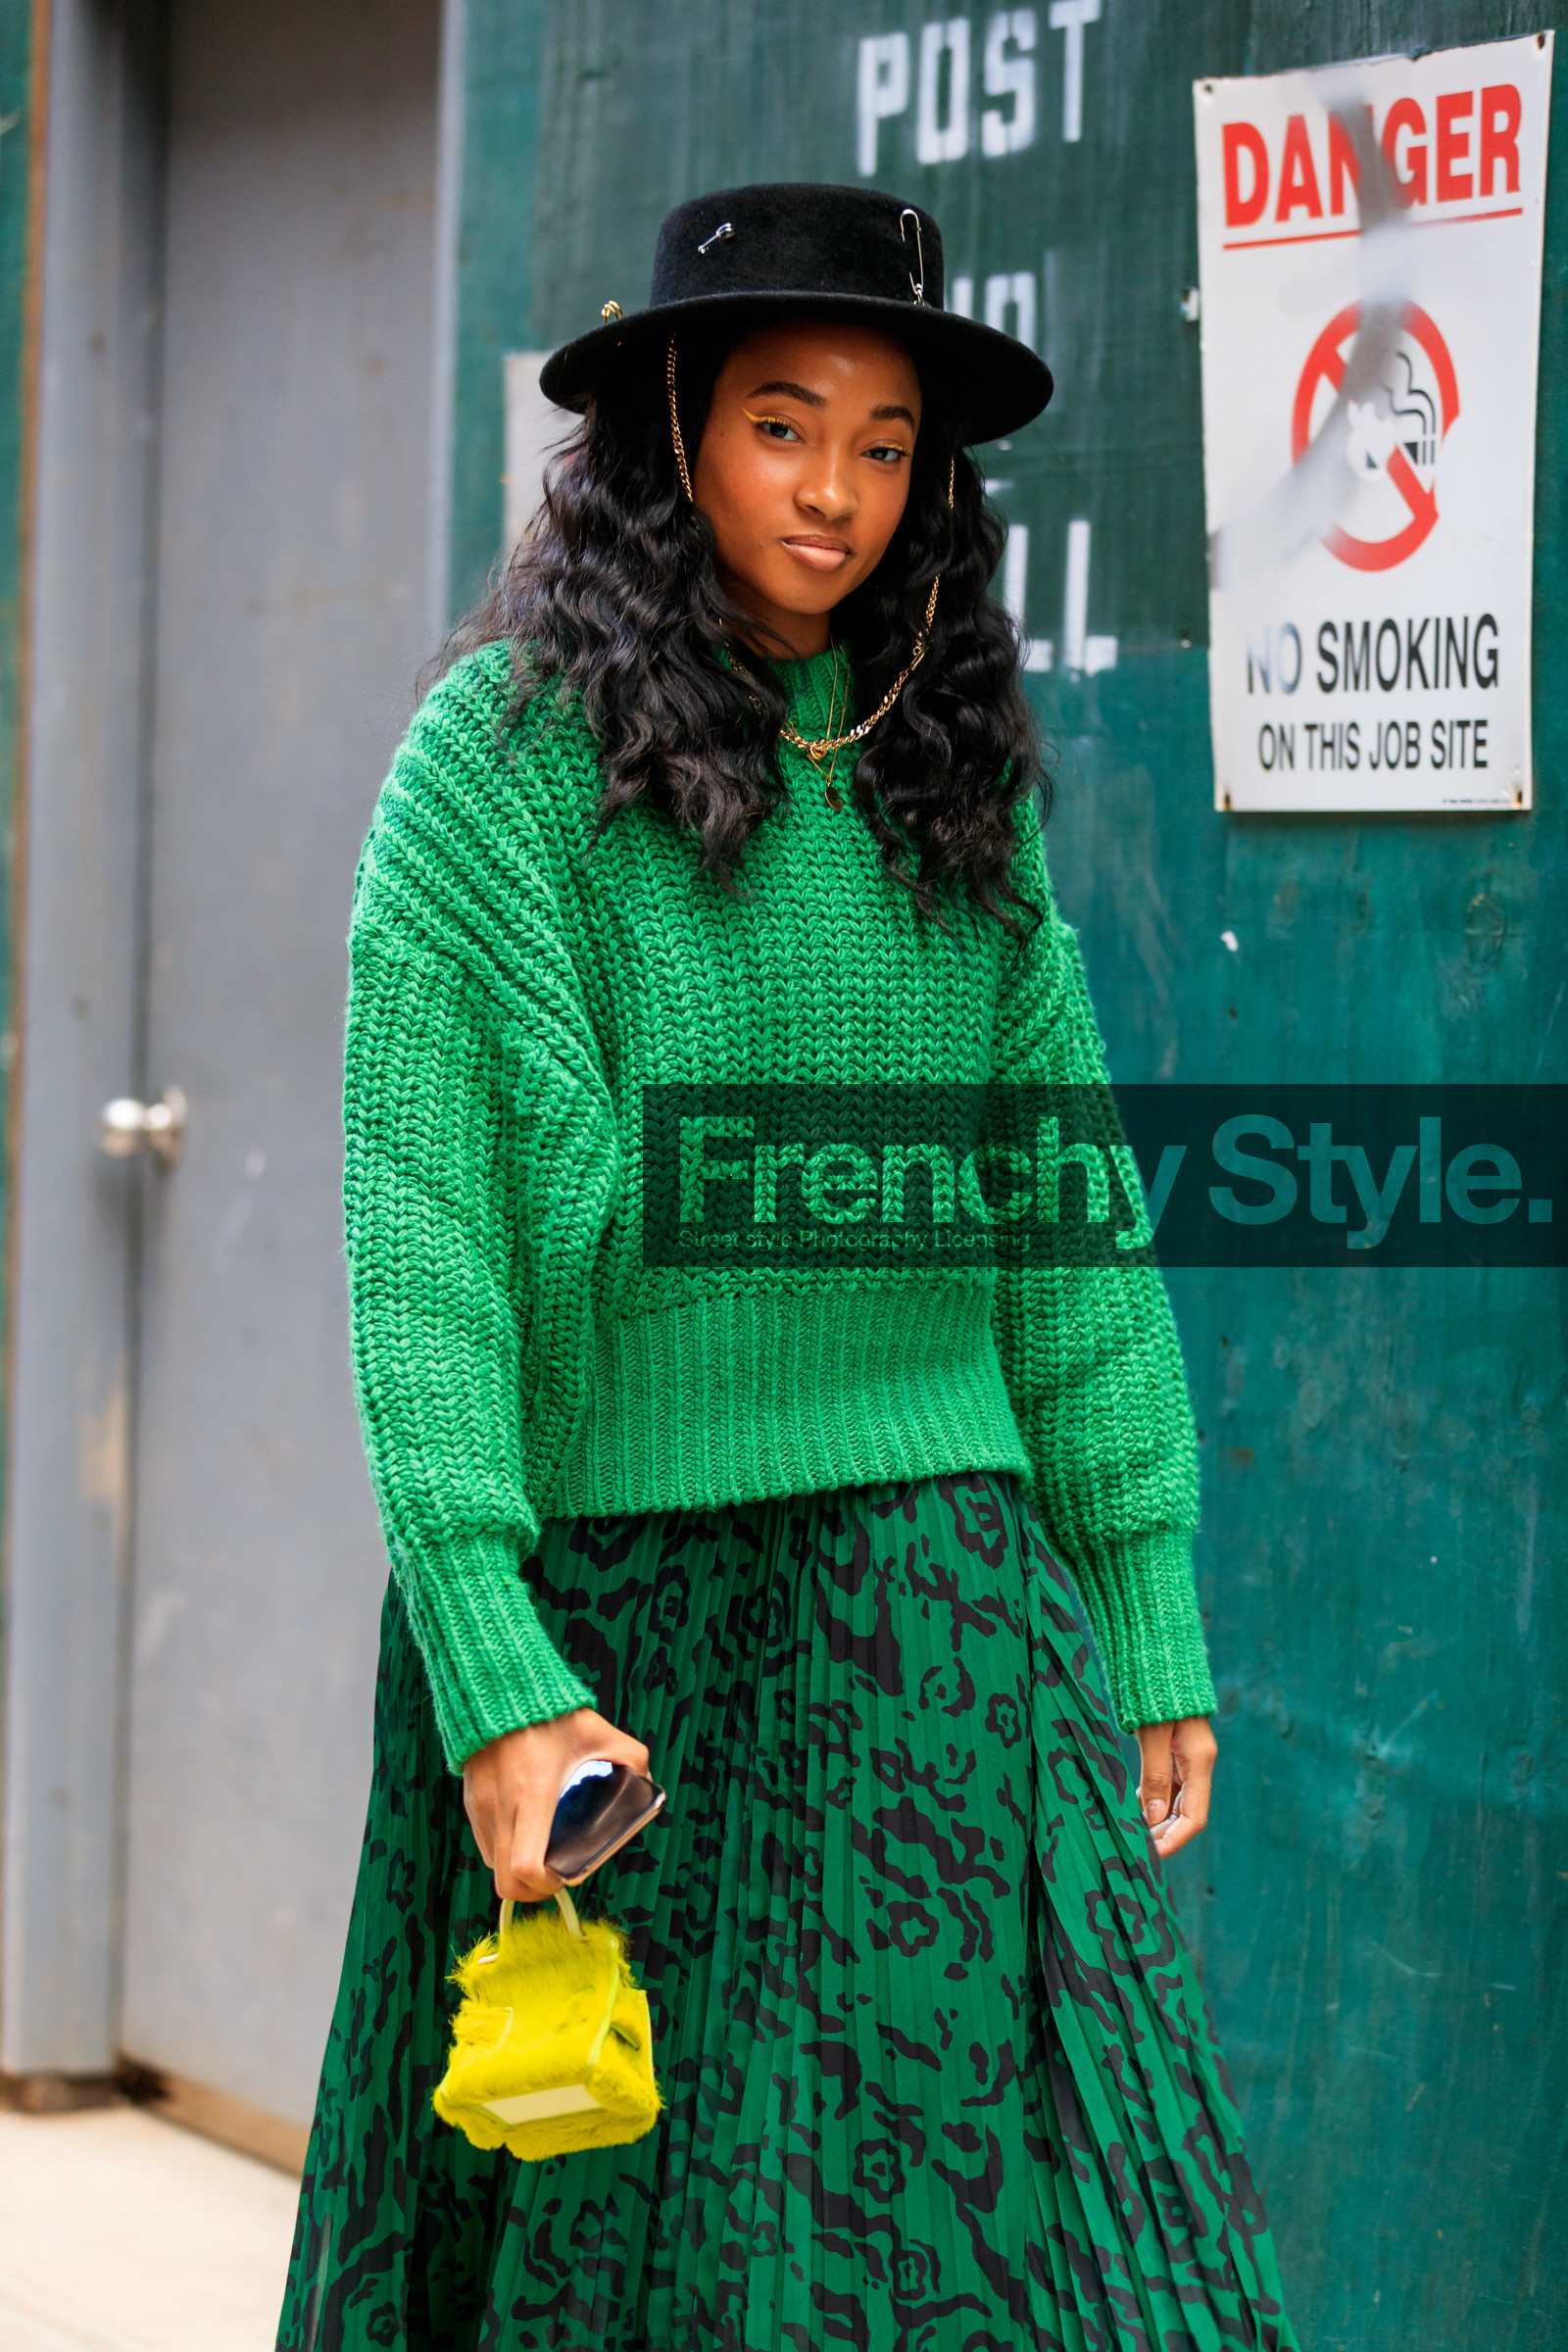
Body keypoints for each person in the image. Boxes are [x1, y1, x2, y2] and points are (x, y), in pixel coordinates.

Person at [277, 182, 1297, 2351]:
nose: (833, 491)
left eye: (884, 442)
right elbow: (424, 1245)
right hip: (618, 1635)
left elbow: (1060, 1200)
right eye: (777, 424)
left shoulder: (949, 775)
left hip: (933, 1596)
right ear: (668, 427)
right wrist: (486, 1648)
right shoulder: (498, 772)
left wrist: (1139, 1574)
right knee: (613, 2254)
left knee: (1031, 2237)